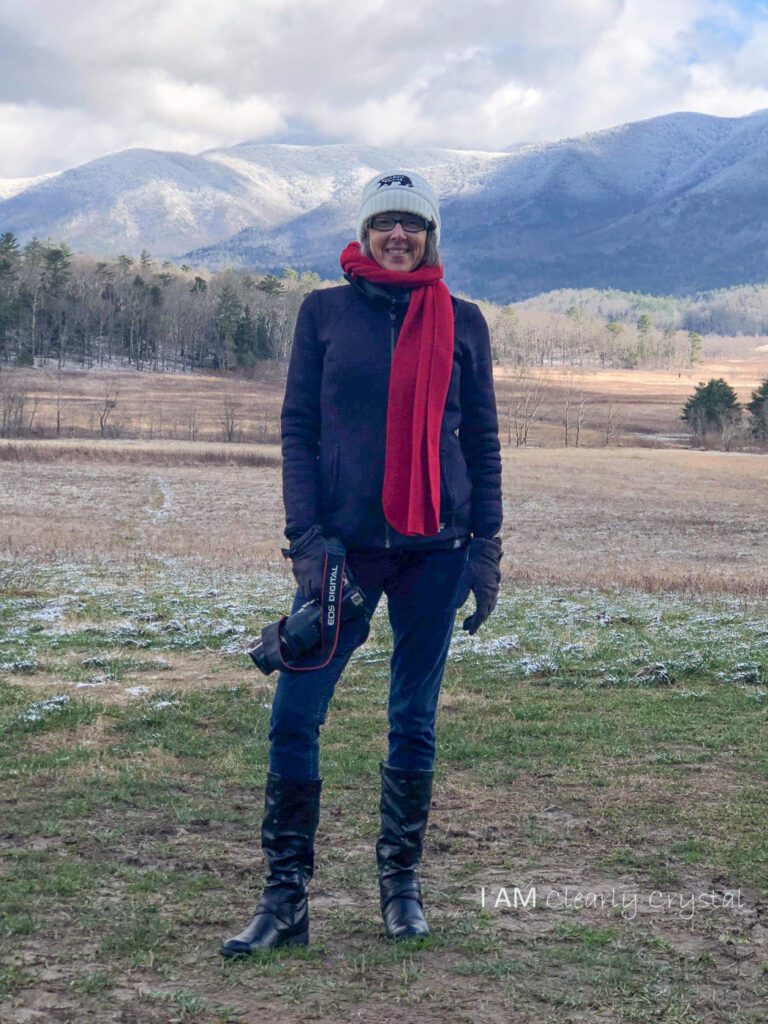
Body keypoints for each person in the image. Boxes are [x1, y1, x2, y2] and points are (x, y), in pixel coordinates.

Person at [220, 170, 503, 957]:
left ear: (430, 236)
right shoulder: (324, 313)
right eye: (385, 223)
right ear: (366, 231)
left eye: (412, 225)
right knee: (294, 718)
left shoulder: (466, 323)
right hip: (343, 552)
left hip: (437, 551)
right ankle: (285, 901)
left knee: (413, 719)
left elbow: (480, 441)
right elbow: (299, 430)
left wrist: (487, 548)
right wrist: (308, 544)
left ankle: (400, 887)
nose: (398, 236)